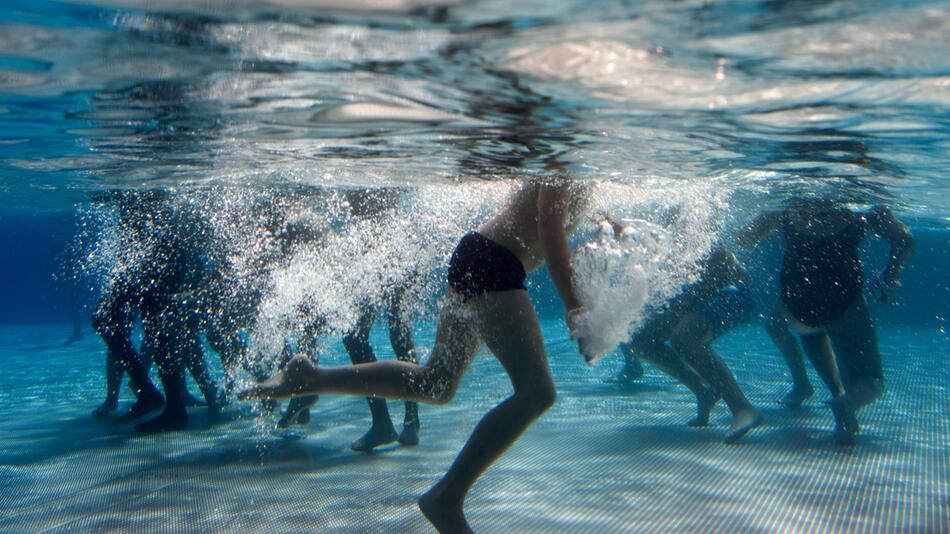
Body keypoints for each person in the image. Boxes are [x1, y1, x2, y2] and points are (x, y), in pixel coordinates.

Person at [240, 176, 589, 533]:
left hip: (480, 255)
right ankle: (447, 497)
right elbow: (549, 225)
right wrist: (573, 304)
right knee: (536, 393)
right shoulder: (564, 150)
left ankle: (312, 377)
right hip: (493, 263)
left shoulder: (585, 163)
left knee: (436, 383)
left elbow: (569, 225)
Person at [736, 198, 915, 444]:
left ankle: (834, 393)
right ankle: (847, 403)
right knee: (870, 380)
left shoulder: (788, 203)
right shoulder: (862, 200)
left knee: (810, 330)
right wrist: (890, 276)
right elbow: (904, 240)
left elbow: (743, 238)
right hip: (844, 295)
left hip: (797, 299)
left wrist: (776, 226)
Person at [617, 246, 763, 443]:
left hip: (730, 291)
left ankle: (742, 407)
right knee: (639, 340)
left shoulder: (692, 230)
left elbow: (721, 264)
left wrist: (675, 311)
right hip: (694, 297)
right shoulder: (651, 244)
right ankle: (703, 392)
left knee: (683, 337)